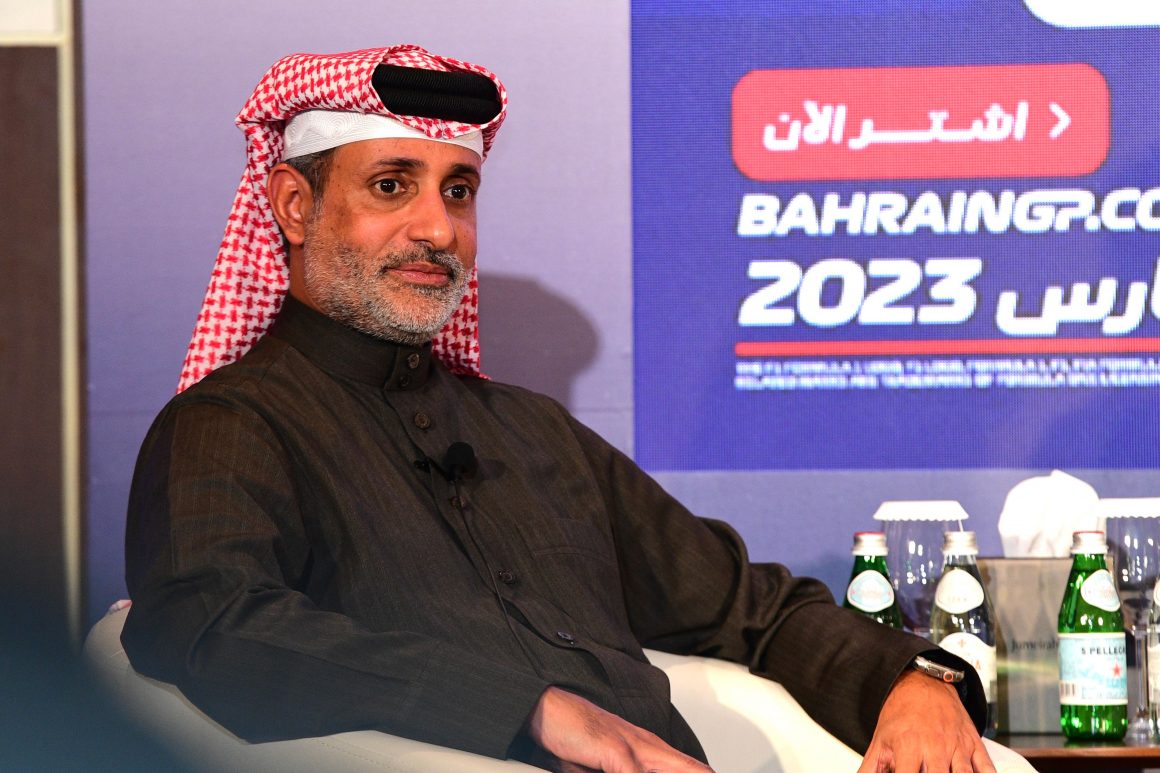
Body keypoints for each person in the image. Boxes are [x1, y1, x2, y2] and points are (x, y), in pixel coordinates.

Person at [122, 44, 994, 772]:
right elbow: (210, 622)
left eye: (458, 190)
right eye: (392, 185)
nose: (438, 229)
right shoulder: (232, 424)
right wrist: (529, 707)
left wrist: (913, 679)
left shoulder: (531, 432)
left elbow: (750, 607)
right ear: (294, 205)